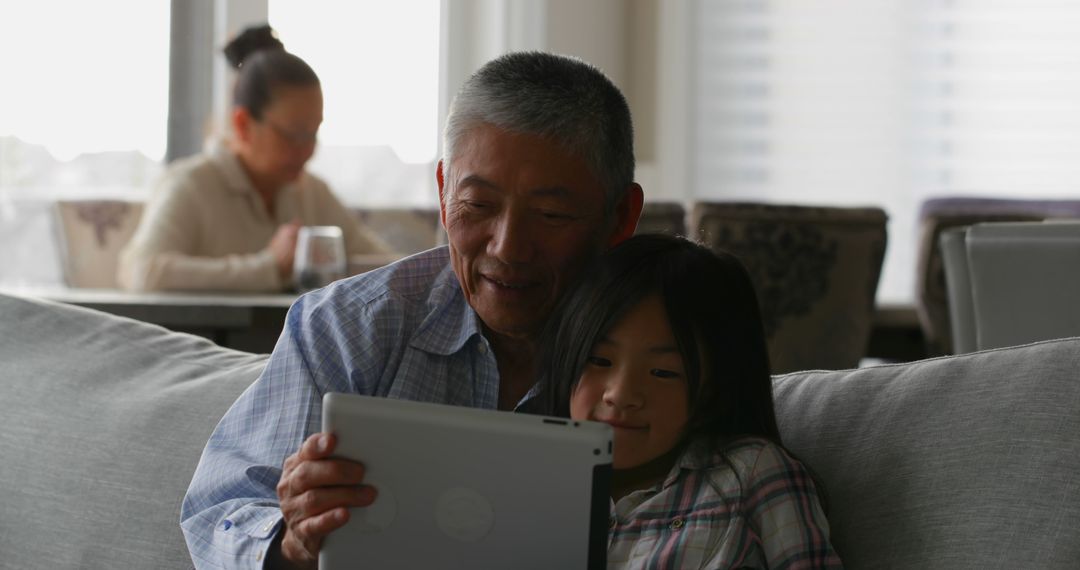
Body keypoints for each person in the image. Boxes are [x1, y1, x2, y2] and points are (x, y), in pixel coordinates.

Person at [180, 51, 644, 568]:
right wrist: (291, 544)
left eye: (551, 214)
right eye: (479, 206)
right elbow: (218, 512)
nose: (508, 248)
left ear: (620, 216)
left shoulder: (665, 353)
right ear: (445, 193)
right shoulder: (344, 328)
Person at [538, 234, 842, 568]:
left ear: (714, 385)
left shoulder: (752, 474)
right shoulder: (537, 485)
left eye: (663, 372)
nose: (621, 394)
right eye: (599, 361)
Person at [118, 24, 392, 293]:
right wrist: (268, 268)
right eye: (294, 135)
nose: (308, 150)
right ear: (243, 124)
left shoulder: (311, 192)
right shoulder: (191, 184)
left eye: (313, 133)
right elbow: (143, 271)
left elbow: (385, 268)